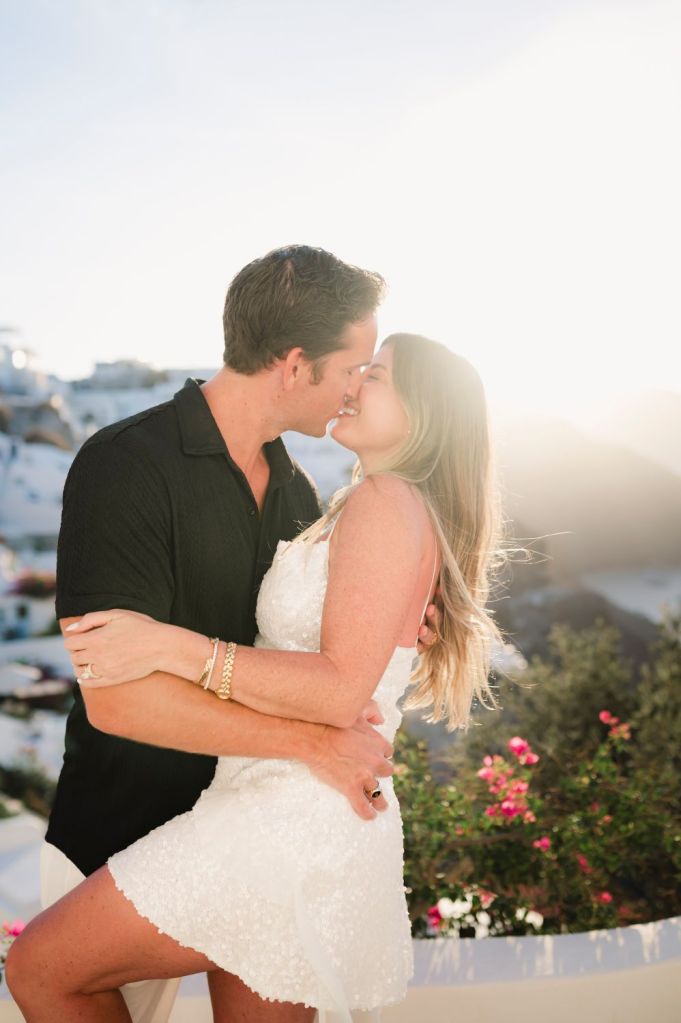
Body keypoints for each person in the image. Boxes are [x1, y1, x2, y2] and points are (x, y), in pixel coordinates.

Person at [7, 331, 505, 1022]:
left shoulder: (383, 501)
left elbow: (336, 690)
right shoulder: (353, 502)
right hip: (278, 798)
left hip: (286, 813)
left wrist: (170, 646)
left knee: (41, 966)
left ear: (423, 413)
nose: (355, 383)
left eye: (377, 374)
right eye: (356, 367)